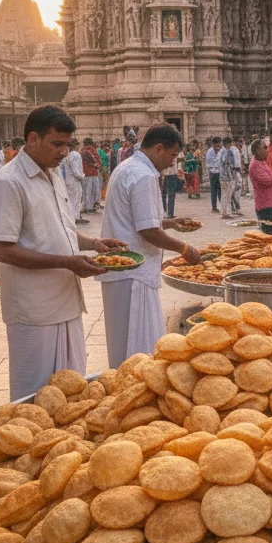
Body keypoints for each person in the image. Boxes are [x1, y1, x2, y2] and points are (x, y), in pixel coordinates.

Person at [0, 105, 126, 400]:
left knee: (73, 391)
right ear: (33, 139)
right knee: (34, 398)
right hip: (34, 310)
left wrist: (94, 243)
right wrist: (67, 262)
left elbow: (59, 228)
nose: (64, 153)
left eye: (67, 145)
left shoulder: (53, 173)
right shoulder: (8, 183)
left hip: (66, 303)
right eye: (57, 144)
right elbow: (3, 249)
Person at [100, 123, 201, 365]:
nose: (173, 162)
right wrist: (184, 249)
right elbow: (147, 230)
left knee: (124, 346)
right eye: (173, 155)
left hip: (126, 272)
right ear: (158, 148)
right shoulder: (143, 175)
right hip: (135, 275)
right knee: (140, 350)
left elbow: (138, 220)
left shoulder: (127, 168)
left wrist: (169, 222)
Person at [249, 138, 272, 230]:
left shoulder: (261, 161)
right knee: (270, 235)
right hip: (266, 205)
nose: (267, 150)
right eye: (264, 148)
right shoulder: (255, 165)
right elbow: (270, 180)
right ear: (257, 151)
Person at [65, 139, 88, 224]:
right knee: (76, 199)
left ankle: (72, 216)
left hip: (69, 180)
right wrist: (82, 176)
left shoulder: (68, 155)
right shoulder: (75, 154)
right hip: (74, 181)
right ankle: (75, 217)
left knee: (71, 199)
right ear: (76, 145)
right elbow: (76, 170)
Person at [80, 138, 102, 213]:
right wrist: (96, 165)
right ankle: (91, 206)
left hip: (85, 173)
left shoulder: (82, 151)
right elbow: (97, 161)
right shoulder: (92, 150)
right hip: (93, 173)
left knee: (86, 190)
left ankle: (86, 206)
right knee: (93, 190)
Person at [218, 135, 238, 218]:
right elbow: (231, 164)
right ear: (229, 143)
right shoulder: (229, 152)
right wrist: (233, 174)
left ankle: (223, 212)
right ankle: (228, 213)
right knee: (229, 196)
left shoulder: (220, 151)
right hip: (228, 176)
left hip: (222, 176)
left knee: (223, 195)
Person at [161, 146, 182, 219]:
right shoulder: (175, 149)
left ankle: (164, 213)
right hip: (170, 173)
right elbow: (180, 158)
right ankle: (169, 213)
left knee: (164, 194)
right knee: (171, 194)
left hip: (165, 173)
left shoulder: (163, 150)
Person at [205, 136, 222, 212]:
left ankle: (223, 206)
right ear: (213, 145)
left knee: (221, 190)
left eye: (219, 146)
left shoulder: (222, 151)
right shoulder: (209, 152)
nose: (217, 148)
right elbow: (208, 164)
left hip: (221, 173)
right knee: (213, 190)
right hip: (213, 173)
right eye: (216, 146)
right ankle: (214, 207)